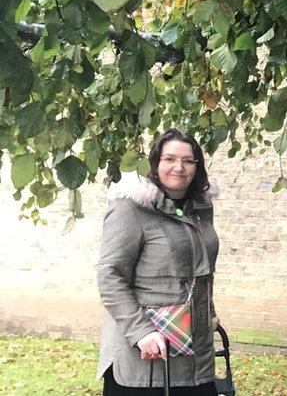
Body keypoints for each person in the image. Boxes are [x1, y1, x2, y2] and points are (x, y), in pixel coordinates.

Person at [97, 129, 220, 395]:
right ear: (155, 163)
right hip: (146, 353)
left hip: (194, 352)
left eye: (188, 161)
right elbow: (111, 275)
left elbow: (201, 271)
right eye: (169, 159)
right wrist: (141, 332)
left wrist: (207, 312)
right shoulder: (130, 208)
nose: (179, 167)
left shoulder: (200, 210)